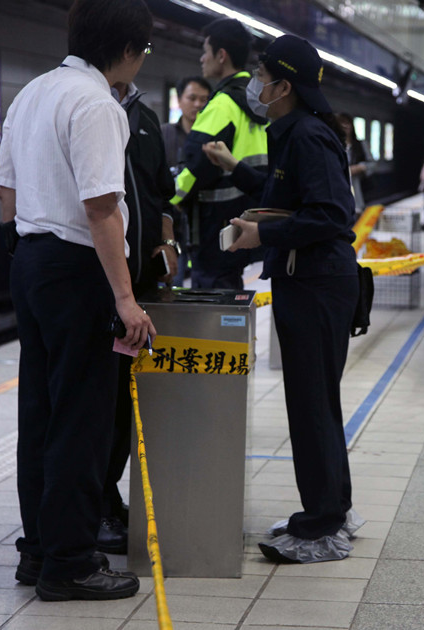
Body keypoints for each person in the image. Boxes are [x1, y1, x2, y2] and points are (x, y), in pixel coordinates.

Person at [0, 0, 155, 601]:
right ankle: (70, 562)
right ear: (128, 49)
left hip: (32, 262)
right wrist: (125, 297)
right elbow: (101, 208)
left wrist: (28, 254)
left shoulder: (33, 93)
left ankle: (38, 551)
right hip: (76, 269)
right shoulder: (97, 104)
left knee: (39, 412)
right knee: (81, 419)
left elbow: (6, 189)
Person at [202, 34, 364, 563]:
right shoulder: (293, 132)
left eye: (262, 77)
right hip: (310, 282)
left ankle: (322, 526)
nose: (256, 85)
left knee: (311, 406)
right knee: (317, 403)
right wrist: (255, 212)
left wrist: (263, 234)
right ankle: (333, 509)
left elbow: (332, 214)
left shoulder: (308, 136)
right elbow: (289, 198)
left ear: (285, 86)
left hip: (317, 286)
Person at [98, 78, 178, 555]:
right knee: (99, 404)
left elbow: (163, 195)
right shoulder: (87, 106)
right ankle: (93, 506)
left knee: (124, 404)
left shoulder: (144, 117)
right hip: (101, 285)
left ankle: (106, 496)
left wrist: (166, 242)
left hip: (140, 285)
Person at [170, 17, 268, 289]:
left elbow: (197, 164)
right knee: (230, 296)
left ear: (221, 55)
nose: (202, 58)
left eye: (206, 51)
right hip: (246, 220)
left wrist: (171, 197)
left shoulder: (222, 105)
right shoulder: (259, 103)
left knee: (212, 301)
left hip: (214, 227)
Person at [162, 76, 210, 287]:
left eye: (204, 99)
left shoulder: (212, 137)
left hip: (204, 226)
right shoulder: (165, 134)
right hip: (171, 226)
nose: (198, 104)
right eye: (192, 98)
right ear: (180, 100)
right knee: (172, 282)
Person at [336, 113, 373, 213]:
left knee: (357, 211)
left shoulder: (360, 145)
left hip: (357, 186)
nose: (344, 126)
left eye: (347, 123)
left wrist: (360, 167)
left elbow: (372, 164)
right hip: (338, 187)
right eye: (341, 123)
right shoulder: (334, 145)